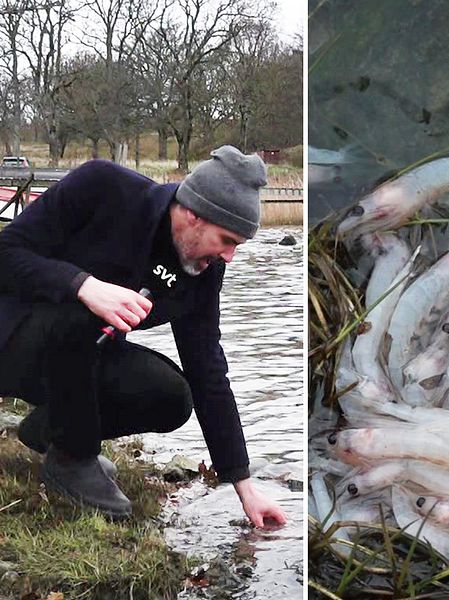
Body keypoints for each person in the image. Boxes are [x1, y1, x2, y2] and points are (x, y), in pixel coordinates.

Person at [0, 145, 287, 526]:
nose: (229, 257)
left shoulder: (203, 272)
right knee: (86, 311)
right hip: (12, 336)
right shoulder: (102, 187)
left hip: (71, 362)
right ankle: (73, 458)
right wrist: (82, 284)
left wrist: (242, 482)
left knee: (172, 396)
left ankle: (54, 431)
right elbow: (6, 252)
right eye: (227, 241)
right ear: (193, 214)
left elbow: (208, 372)